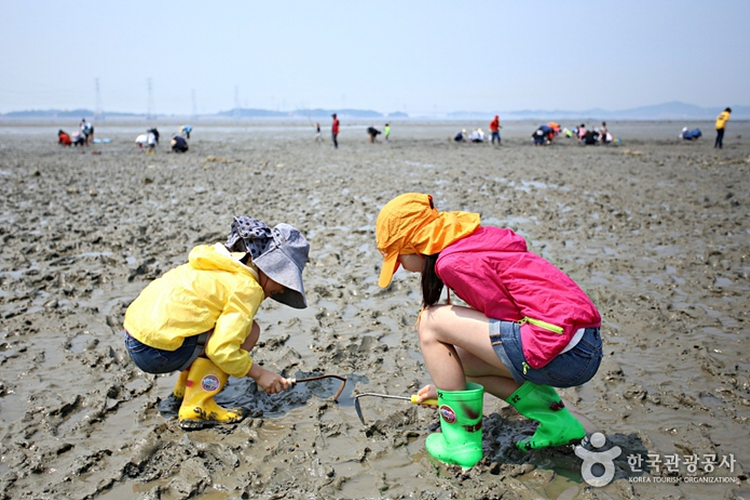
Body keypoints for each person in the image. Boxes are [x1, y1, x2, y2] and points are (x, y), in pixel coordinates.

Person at [375, 193, 602, 468]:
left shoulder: (452, 262)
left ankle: (459, 443)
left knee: (429, 321)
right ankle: (557, 422)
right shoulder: (472, 242)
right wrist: (447, 387)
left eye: (399, 260)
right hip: (580, 343)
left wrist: (447, 391)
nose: (403, 269)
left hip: (558, 348)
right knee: (461, 360)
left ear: (415, 245)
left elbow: (505, 316)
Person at [123, 216, 310, 429]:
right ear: (268, 267)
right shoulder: (247, 288)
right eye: (284, 279)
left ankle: (183, 390)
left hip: (135, 337)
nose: (284, 289)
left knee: (204, 326)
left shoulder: (218, 262)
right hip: (158, 352)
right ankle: (197, 406)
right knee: (249, 333)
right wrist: (260, 374)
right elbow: (222, 349)